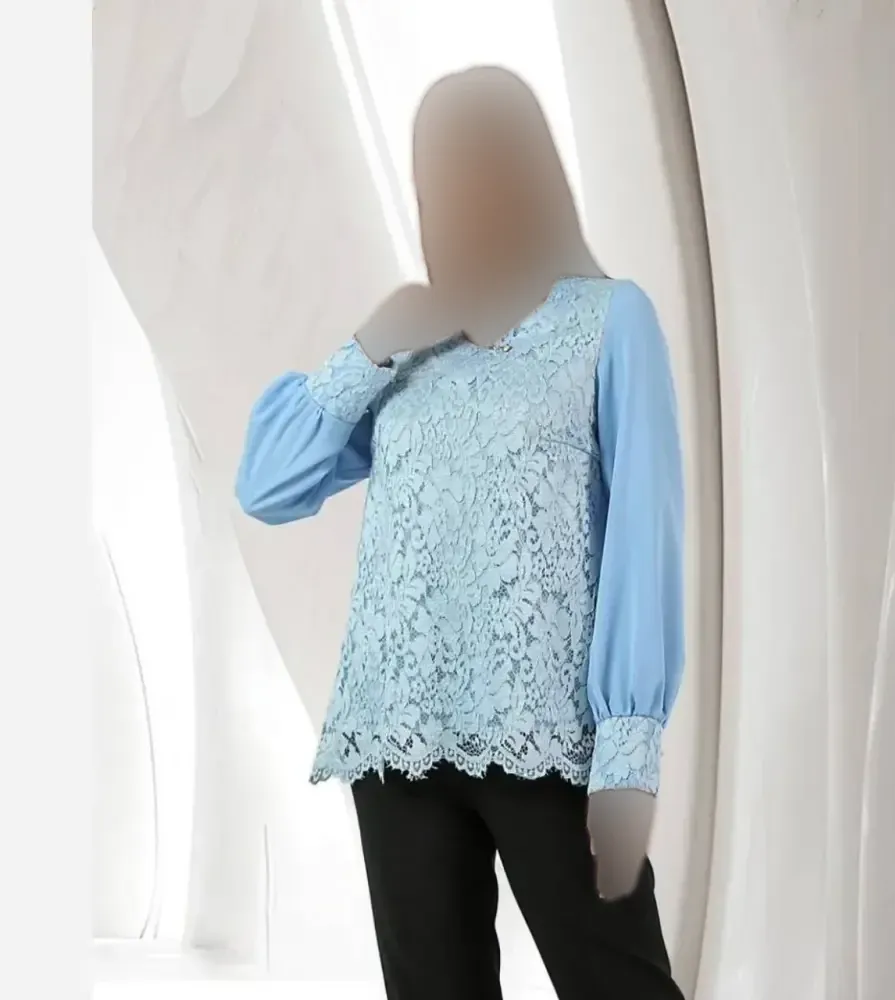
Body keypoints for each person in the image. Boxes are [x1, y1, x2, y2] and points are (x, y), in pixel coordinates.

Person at [236, 66, 686, 1000]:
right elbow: (267, 487)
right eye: (433, 176)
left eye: (472, 167)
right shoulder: (411, 344)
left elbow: (646, 535)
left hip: (542, 732)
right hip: (394, 734)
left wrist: (628, 753)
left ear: (528, 171)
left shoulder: (609, 320)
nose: (450, 197)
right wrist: (368, 348)